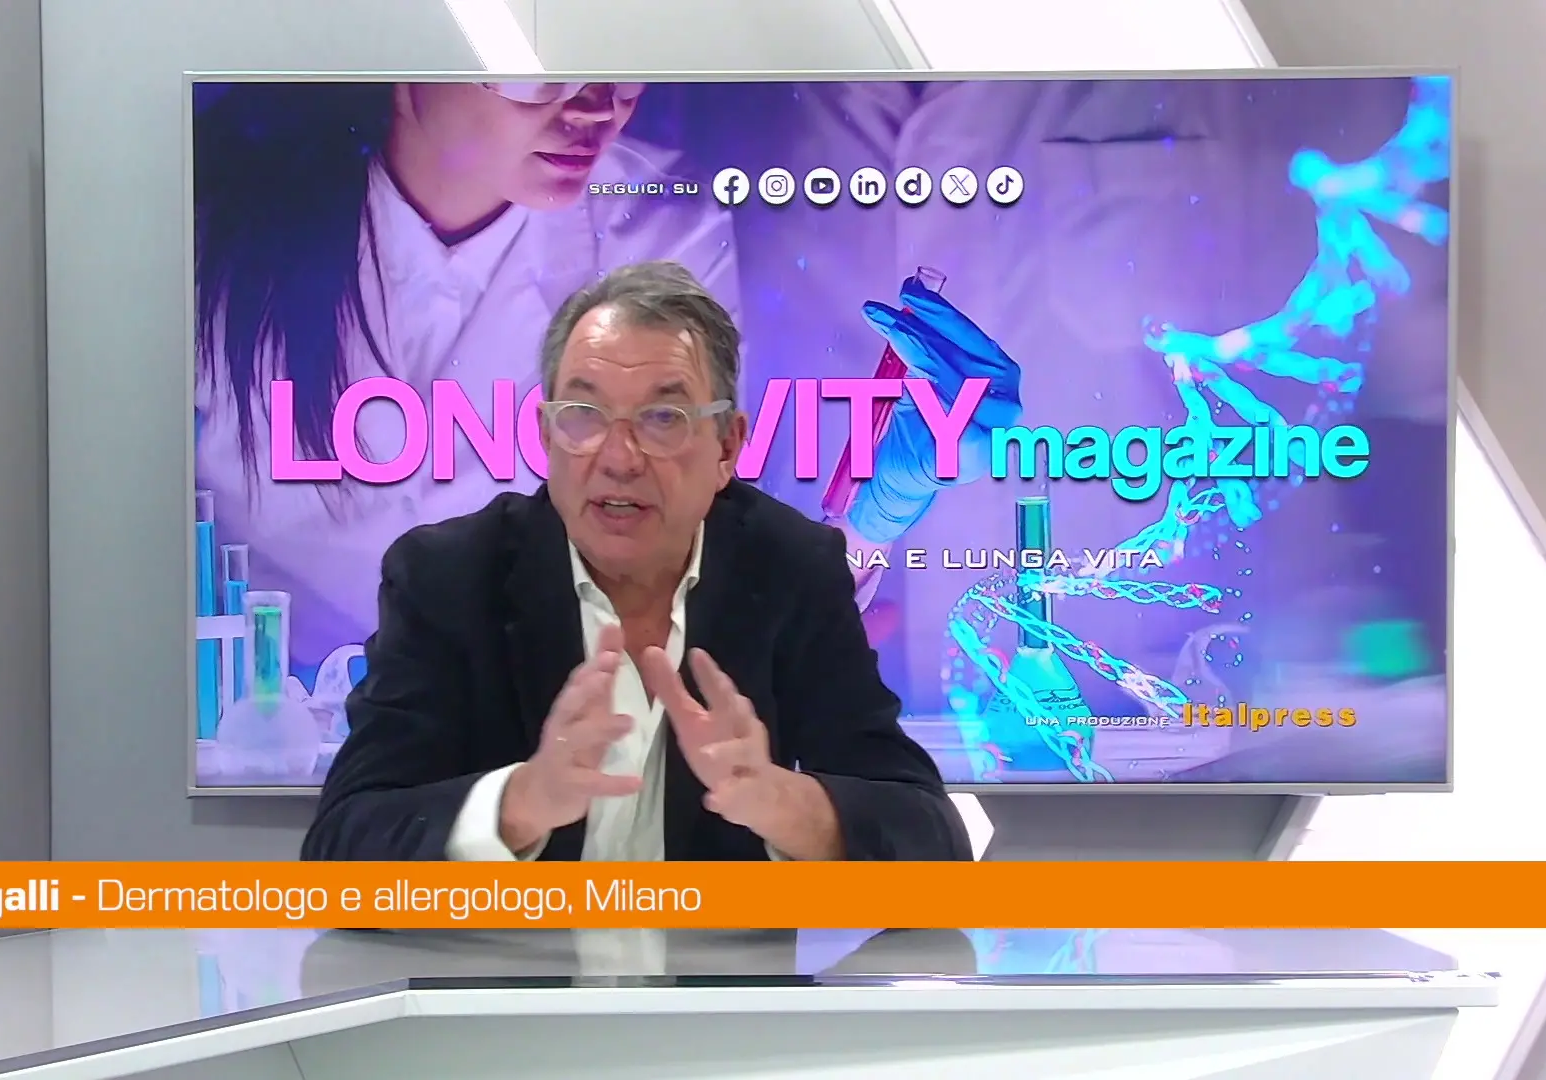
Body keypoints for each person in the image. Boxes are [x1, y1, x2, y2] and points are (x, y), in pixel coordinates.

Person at [300, 261, 970, 862]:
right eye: (583, 414)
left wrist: (782, 803)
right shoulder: (447, 578)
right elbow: (341, 850)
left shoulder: (791, 570)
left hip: (715, 969)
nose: (618, 458)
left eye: (663, 418)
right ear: (545, 435)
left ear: (727, 448)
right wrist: (521, 802)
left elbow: (931, 840)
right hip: (506, 967)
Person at [194, 82, 740, 672]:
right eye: (539, 69)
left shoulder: (661, 229)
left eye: (618, 64)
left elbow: (681, 537)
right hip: (258, 692)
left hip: (532, 694)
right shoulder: (208, 218)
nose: (597, 106)